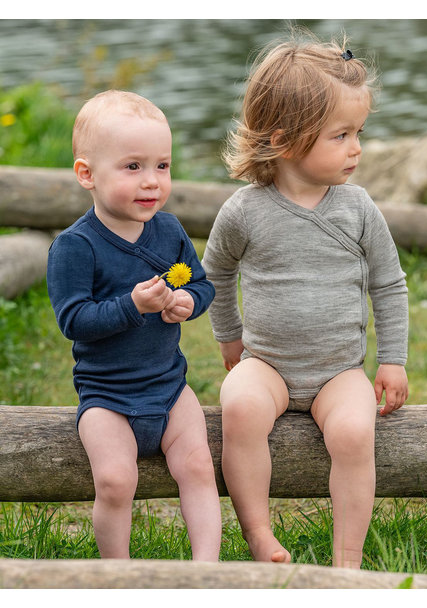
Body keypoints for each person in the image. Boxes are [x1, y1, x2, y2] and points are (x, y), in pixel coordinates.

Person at [202, 32, 409, 568]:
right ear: (286, 139)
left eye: (359, 132)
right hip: (266, 363)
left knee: (354, 432)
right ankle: (259, 534)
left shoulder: (358, 208)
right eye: (341, 135)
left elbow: (388, 283)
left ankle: (348, 560)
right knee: (240, 406)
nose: (357, 148)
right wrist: (229, 337)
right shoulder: (245, 212)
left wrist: (392, 359)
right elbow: (216, 273)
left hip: (339, 371)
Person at [47, 90, 221, 561]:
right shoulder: (74, 246)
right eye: (132, 167)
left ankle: (207, 570)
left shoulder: (170, 230)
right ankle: (116, 574)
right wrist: (133, 305)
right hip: (107, 395)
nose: (152, 183)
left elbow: (202, 284)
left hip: (168, 386)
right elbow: (74, 320)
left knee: (199, 466)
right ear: (87, 174)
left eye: (162, 166)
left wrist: (187, 300)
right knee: (115, 480)